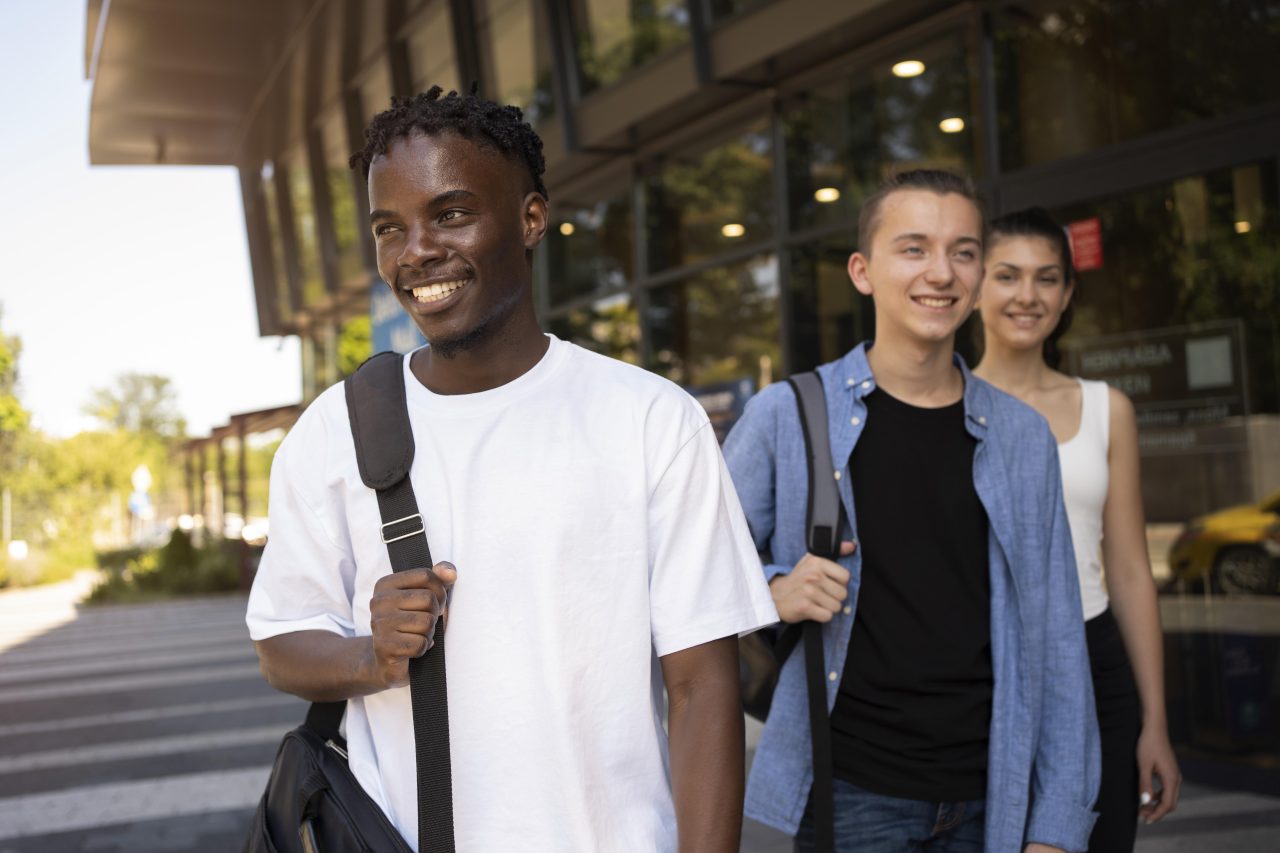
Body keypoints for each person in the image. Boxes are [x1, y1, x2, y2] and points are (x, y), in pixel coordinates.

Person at [246, 87, 778, 853]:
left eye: (451, 214)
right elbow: (280, 640)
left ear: (531, 219)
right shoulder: (336, 429)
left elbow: (702, 684)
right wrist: (371, 653)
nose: (417, 250)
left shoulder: (650, 419)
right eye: (389, 228)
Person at [724, 170, 1100, 852]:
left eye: (962, 250)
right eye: (914, 248)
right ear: (863, 271)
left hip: (992, 793)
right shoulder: (788, 415)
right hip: (849, 791)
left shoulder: (1021, 437)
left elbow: (1056, 641)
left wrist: (1056, 825)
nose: (941, 272)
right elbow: (688, 572)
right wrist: (773, 591)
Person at [973, 207, 1181, 852]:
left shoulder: (1105, 408)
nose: (1027, 296)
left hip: (1094, 662)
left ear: (1066, 295)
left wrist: (1156, 722)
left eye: (1047, 278)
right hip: (983, 664)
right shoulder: (950, 407)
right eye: (1007, 275)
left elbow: (1127, 571)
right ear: (977, 284)